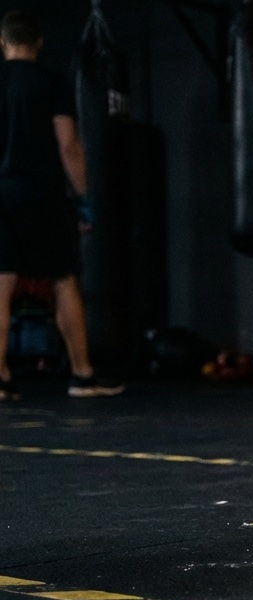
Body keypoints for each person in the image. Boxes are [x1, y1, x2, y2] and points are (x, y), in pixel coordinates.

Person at [0, 10, 122, 401]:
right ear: (38, 43)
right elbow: (68, 145)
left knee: (0, 284)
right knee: (64, 280)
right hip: (43, 195)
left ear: (2, 42)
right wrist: (83, 200)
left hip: (2, 194)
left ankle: (1, 379)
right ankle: (83, 376)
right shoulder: (51, 82)